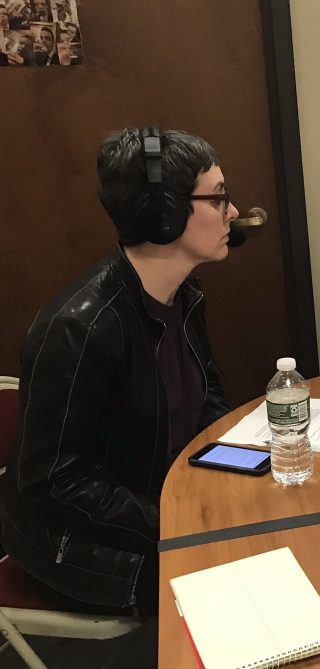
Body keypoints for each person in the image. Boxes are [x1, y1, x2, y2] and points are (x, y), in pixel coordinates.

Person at [1, 128, 238, 621]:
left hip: (152, 504)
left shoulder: (183, 294)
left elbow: (206, 395)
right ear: (164, 215)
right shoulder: (79, 328)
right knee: (237, 587)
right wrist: (177, 518)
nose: (233, 212)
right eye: (218, 198)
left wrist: (240, 464)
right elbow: (56, 486)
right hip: (80, 544)